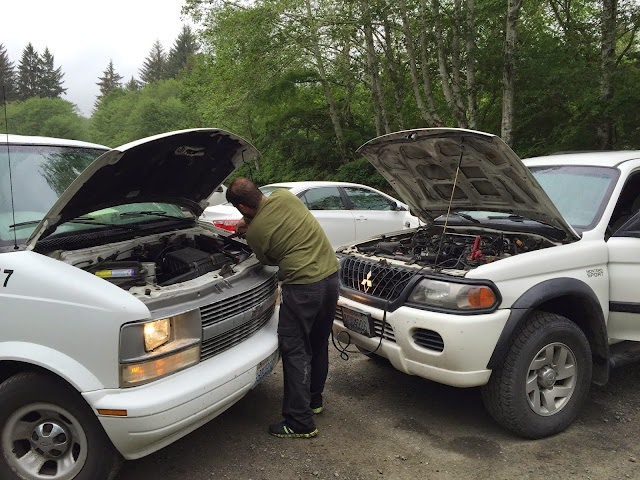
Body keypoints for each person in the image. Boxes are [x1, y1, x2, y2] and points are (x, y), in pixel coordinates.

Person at [226, 177, 340, 438]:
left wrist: (249, 227)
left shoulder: (255, 233)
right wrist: (248, 221)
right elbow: (270, 214)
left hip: (303, 288)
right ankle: (314, 401)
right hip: (331, 278)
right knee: (318, 343)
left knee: (295, 349)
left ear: (242, 207)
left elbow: (269, 260)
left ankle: (299, 422)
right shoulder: (284, 196)